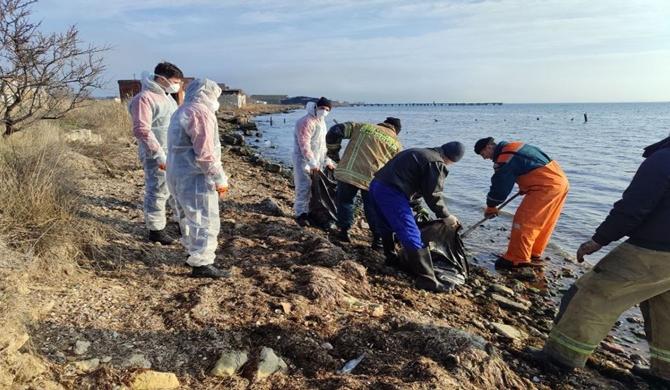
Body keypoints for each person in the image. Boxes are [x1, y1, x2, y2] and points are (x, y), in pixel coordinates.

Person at [533, 136, 670, 386]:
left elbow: (633, 207)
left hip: (653, 250)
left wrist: (599, 239)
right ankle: (665, 374)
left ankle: (560, 358)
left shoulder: (663, 159)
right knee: (664, 310)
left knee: (590, 296)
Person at [369, 143, 463, 292]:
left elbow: (411, 181)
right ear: (451, 160)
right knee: (410, 232)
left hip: (376, 185)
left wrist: (417, 205)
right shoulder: (436, 162)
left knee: (385, 224)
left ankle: (391, 258)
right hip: (392, 192)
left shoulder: (420, 152)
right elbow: (433, 194)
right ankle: (428, 280)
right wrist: (446, 216)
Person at [474, 137, 569, 269]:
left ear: (488, 147)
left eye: (483, 155)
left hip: (544, 188)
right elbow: (532, 166)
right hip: (561, 183)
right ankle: (533, 253)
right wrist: (526, 184)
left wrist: (491, 206)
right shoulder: (515, 146)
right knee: (544, 222)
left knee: (524, 222)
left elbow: (500, 187)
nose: (485, 158)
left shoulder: (505, 157)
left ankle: (517, 259)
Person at [166, 79, 229, 278]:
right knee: (205, 218)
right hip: (195, 175)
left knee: (187, 216)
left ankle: (192, 253)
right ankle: (202, 263)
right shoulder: (201, 113)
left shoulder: (181, 111)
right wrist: (219, 178)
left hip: (177, 171)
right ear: (206, 94)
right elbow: (206, 154)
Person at [128, 62, 183, 245]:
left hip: (172, 150)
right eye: (175, 81)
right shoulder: (144, 98)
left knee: (172, 188)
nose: (177, 85)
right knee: (157, 189)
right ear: (161, 78)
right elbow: (142, 129)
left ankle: (176, 220)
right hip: (156, 153)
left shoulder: (167, 97)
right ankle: (155, 229)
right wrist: (158, 154)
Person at [326, 117, 402, 247]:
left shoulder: (362, 127)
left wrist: (333, 152)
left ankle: (344, 232)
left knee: (345, 202)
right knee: (372, 208)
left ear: (383, 123)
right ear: (396, 131)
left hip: (349, 171)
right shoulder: (397, 144)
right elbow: (395, 170)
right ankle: (377, 239)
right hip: (372, 179)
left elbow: (335, 130)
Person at [292, 97, 335, 227]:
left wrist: (327, 160)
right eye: (322, 108)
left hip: (317, 160)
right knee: (303, 187)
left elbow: (323, 145)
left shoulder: (321, 122)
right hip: (303, 160)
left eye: (327, 109)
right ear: (316, 107)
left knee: (315, 189)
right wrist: (311, 162)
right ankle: (301, 214)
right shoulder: (305, 122)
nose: (324, 111)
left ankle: (311, 212)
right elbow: (304, 145)